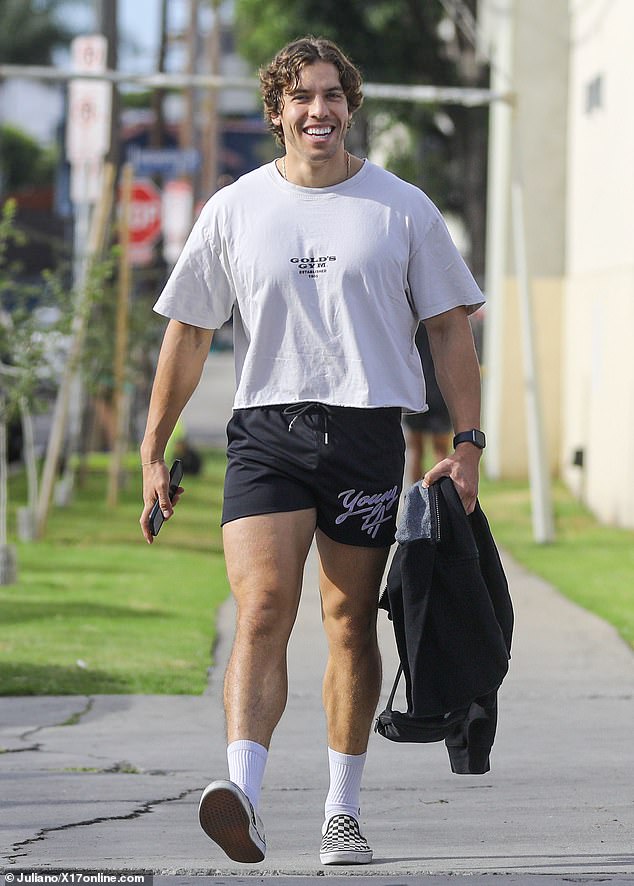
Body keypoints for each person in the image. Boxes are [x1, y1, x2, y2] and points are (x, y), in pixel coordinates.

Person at [139, 35, 485, 867]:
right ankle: (244, 797)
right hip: (266, 431)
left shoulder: (401, 206)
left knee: (346, 624)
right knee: (262, 608)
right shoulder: (234, 208)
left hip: (368, 431)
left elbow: (447, 329)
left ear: (350, 106)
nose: (318, 110)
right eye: (301, 97)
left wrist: (468, 444)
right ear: (276, 112)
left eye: (331, 95)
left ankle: (341, 810)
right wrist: (153, 448)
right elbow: (189, 331)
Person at [403, 323, 452, 484]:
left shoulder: (410, 321)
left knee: (416, 449)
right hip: (441, 389)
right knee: (441, 451)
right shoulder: (442, 316)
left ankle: (415, 499)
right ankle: (440, 500)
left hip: (415, 390)